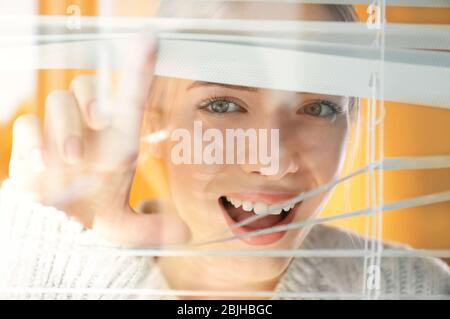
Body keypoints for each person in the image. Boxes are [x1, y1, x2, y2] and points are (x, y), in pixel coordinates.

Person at [0, 2, 448, 299]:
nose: (270, 159)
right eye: (223, 105)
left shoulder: (410, 289)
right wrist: (50, 270)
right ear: (152, 115)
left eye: (319, 107)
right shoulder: (28, 267)